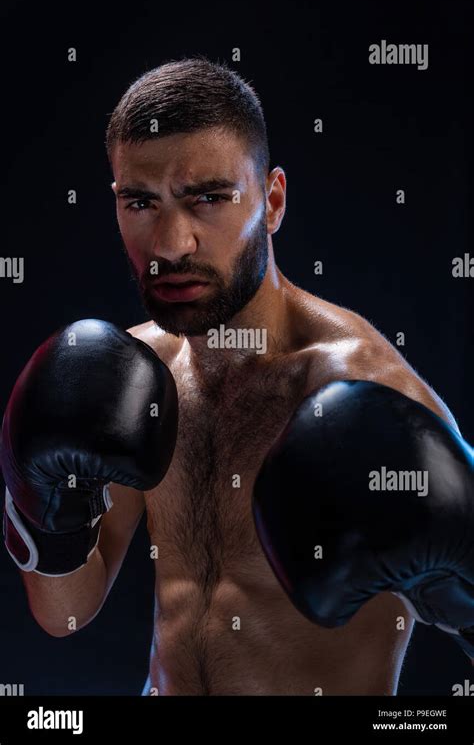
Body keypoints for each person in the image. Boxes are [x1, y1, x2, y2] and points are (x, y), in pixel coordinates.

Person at [2, 58, 473, 696]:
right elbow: (66, 613)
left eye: (209, 198)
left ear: (272, 201)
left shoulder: (365, 388)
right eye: (140, 202)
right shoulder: (134, 380)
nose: (171, 243)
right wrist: (40, 512)